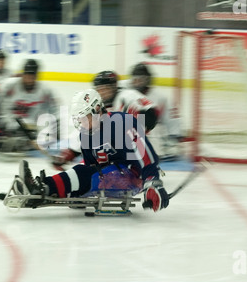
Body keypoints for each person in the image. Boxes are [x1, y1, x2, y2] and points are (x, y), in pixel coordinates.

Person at [21, 89, 169, 212]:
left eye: (84, 117)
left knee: (87, 175)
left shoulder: (122, 123)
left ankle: (45, 187)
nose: (81, 123)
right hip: (110, 175)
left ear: (97, 110)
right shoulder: (86, 134)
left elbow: (146, 157)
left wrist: (152, 183)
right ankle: (45, 188)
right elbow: (90, 166)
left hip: (133, 177)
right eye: (79, 119)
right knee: (83, 171)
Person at [52, 70, 160, 170]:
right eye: (99, 90)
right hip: (114, 149)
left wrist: (139, 131)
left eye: (106, 89)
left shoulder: (126, 95)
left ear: (114, 87)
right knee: (88, 165)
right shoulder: (97, 107)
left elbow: (152, 111)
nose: (102, 93)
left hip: (134, 146)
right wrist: (68, 153)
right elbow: (85, 129)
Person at [0, 58, 59, 147]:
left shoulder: (45, 91)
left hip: (31, 128)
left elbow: (54, 110)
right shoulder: (9, 86)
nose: (29, 80)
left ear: (36, 77)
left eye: (32, 77)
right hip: (9, 124)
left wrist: (48, 129)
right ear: (22, 74)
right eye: (26, 76)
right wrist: (5, 123)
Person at [126, 62, 183, 160]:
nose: (138, 83)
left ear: (148, 80)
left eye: (141, 80)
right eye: (135, 80)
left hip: (151, 140)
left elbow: (173, 119)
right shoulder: (126, 94)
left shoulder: (161, 98)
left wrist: (173, 138)